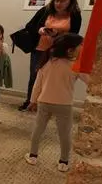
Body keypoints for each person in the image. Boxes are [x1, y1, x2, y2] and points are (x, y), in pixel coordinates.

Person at [25, 34, 88, 172]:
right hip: (64, 104)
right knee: (64, 133)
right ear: (70, 50)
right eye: (80, 45)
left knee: (38, 129)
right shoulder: (75, 66)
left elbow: (37, 84)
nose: (82, 48)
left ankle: (33, 156)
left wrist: (32, 101)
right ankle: (63, 162)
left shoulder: (47, 62)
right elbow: (89, 80)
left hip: (44, 102)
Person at [18, 0, 82, 111]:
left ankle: (49, 104)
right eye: (57, 0)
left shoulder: (75, 15)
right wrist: (40, 29)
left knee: (55, 78)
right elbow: (29, 26)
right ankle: (31, 102)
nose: (58, 3)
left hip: (60, 52)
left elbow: (73, 36)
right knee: (35, 76)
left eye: (63, 1)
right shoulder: (46, 10)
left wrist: (57, 35)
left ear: (70, 2)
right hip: (40, 49)